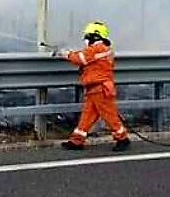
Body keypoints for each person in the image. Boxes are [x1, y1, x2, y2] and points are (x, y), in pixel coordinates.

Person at [55, 21, 131, 151]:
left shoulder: (98, 48)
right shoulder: (102, 49)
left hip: (100, 89)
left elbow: (81, 58)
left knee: (109, 116)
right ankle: (76, 141)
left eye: (87, 36)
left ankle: (123, 139)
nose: (86, 40)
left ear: (94, 36)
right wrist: (71, 53)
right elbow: (87, 57)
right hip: (95, 88)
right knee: (87, 116)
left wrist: (65, 53)